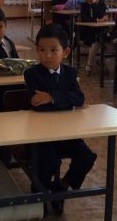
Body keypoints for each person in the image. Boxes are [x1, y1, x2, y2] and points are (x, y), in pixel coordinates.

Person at [24, 23, 97, 215]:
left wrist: (51, 97)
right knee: (49, 163)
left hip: (66, 134)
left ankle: (61, 187)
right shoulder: (32, 74)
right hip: (42, 136)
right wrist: (65, 101)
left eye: (53, 50)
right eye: (42, 50)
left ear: (65, 52)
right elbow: (38, 105)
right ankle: (38, 198)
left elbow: (79, 98)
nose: (47, 55)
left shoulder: (70, 73)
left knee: (87, 156)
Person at [76, 0, 108, 76]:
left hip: (99, 31)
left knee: (103, 40)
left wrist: (94, 5)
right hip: (87, 32)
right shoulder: (84, 5)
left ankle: (99, 61)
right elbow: (86, 19)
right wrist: (98, 20)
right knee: (97, 40)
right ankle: (90, 64)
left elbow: (102, 16)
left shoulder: (100, 5)